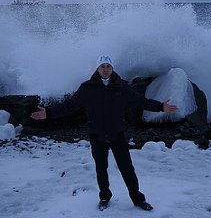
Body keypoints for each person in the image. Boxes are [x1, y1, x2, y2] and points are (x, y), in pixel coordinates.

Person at [31, 55, 178, 211]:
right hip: (97, 135)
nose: (105, 69)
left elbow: (141, 102)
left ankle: (138, 199)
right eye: (102, 66)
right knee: (101, 169)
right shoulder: (87, 88)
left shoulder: (122, 87)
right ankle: (104, 197)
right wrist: (48, 112)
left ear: (112, 68)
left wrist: (161, 107)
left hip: (117, 135)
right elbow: (70, 105)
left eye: (108, 66)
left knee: (127, 169)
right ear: (98, 69)